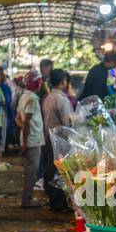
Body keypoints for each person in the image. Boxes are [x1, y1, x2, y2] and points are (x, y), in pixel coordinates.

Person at [41, 69, 74, 211]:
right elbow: (68, 123)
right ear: (63, 82)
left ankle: (54, 201)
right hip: (60, 140)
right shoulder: (62, 100)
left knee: (51, 169)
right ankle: (58, 203)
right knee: (60, 172)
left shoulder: (48, 98)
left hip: (49, 138)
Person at [15, 73, 45, 209]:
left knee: (30, 170)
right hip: (32, 140)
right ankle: (27, 200)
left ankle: (27, 199)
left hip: (29, 138)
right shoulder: (32, 99)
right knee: (32, 171)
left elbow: (18, 119)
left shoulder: (24, 96)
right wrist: (26, 141)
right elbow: (26, 121)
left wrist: (25, 131)